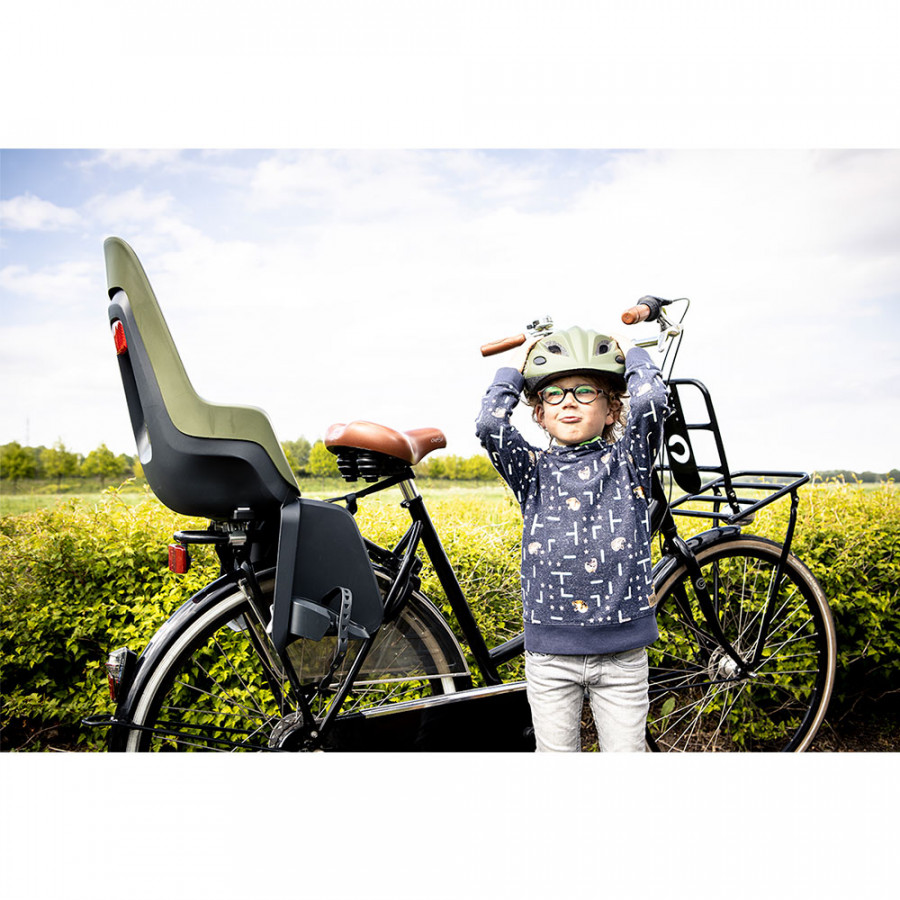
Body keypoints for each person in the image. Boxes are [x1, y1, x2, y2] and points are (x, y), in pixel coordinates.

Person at [475, 325, 668, 751]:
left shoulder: (629, 463)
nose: (568, 402)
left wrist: (630, 350)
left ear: (612, 409)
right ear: (539, 413)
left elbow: (652, 400)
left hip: (622, 658)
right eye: (553, 394)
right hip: (550, 659)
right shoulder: (532, 471)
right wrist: (518, 364)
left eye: (584, 391)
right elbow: (490, 423)